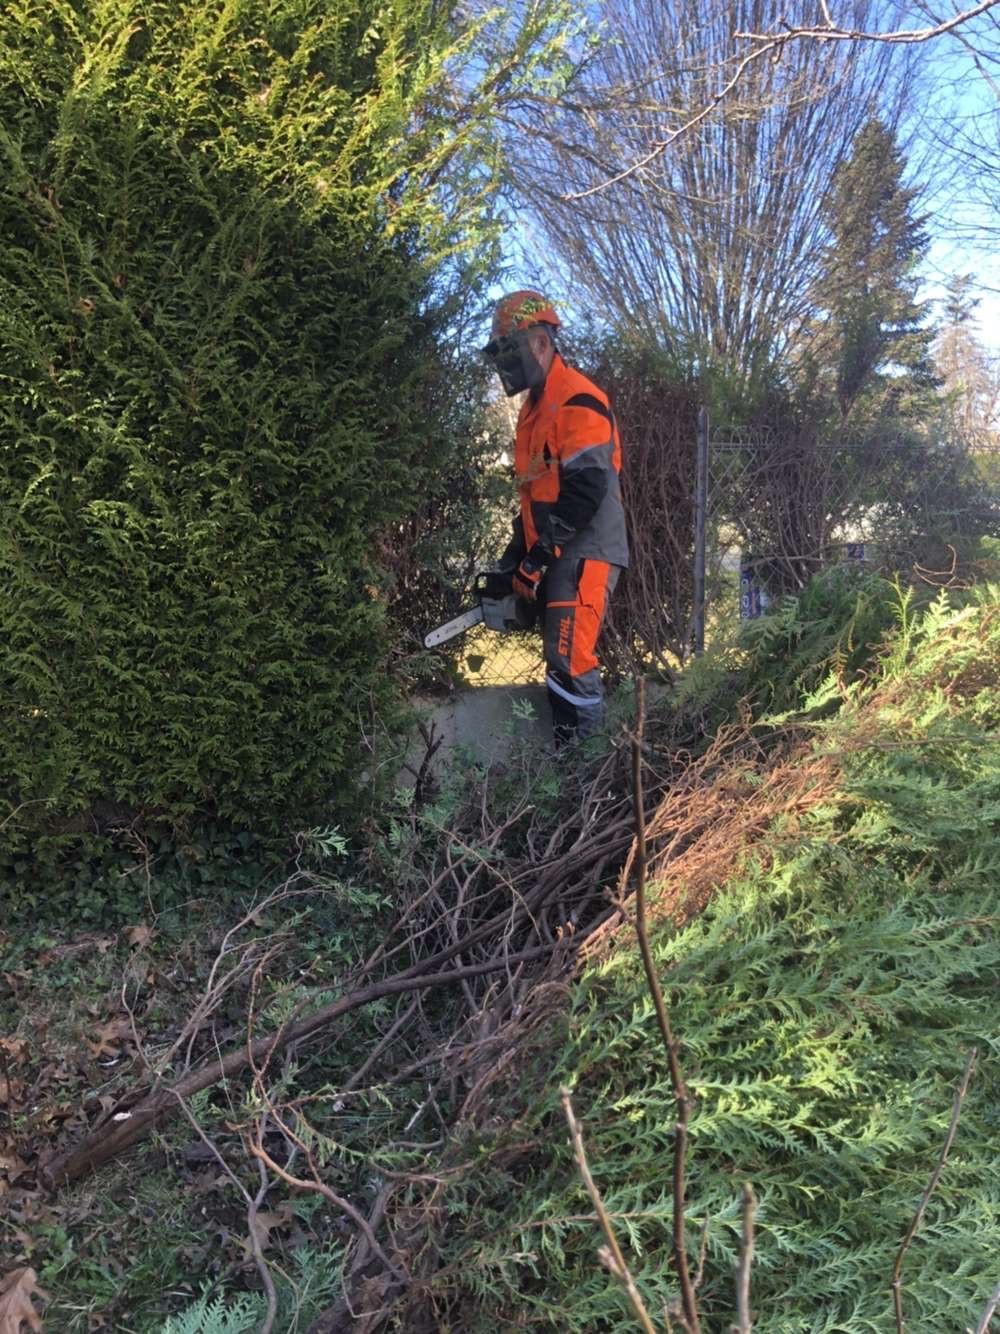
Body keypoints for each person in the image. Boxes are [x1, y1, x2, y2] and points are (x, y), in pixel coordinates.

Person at [482, 290, 629, 742]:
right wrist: (516, 558)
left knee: (572, 660)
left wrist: (539, 556)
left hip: (584, 549)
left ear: (540, 344)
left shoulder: (578, 400)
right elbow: (535, 496)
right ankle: (574, 773)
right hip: (560, 549)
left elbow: (585, 489)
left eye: (512, 349)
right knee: (561, 660)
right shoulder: (532, 412)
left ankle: (588, 776)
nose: (507, 362)